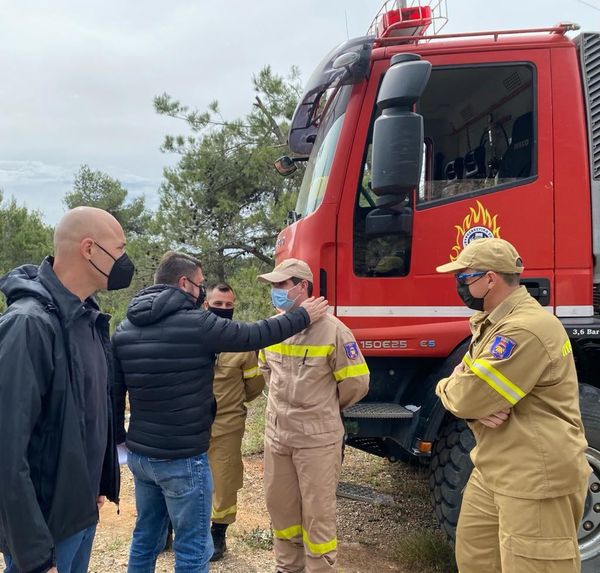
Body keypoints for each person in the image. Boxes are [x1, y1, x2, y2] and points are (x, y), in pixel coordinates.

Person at [112, 251, 328, 573]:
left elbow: (114, 394)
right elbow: (253, 335)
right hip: (183, 457)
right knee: (193, 547)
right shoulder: (196, 324)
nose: (202, 292)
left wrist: (121, 441)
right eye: (200, 284)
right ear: (184, 283)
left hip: (141, 457)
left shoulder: (125, 328)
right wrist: (302, 317)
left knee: (145, 537)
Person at [435, 237, 590, 572]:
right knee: (476, 558)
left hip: (534, 475)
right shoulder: (494, 322)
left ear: (490, 279)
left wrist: (455, 392)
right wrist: (463, 394)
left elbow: (467, 396)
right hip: (495, 466)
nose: (459, 285)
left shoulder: (524, 330)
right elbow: (469, 394)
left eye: (464, 277)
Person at [0, 207, 132, 573]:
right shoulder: (28, 325)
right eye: (119, 248)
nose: (125, 260)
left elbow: (91, 412)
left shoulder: (87, 318)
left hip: (80, 513)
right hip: (45, 531)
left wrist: (98, 481)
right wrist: (35, 556)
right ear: (89, 249)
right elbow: (6, 451)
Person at [257, 258, 370, 573]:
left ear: (302, 286)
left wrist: (322, 410)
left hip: (316, 441)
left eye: (282, 284)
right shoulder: (274, 327)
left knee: (317, 516)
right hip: (278, 437)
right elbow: (266, 370)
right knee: (281, 509)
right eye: (274, 286)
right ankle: (287, 567)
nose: (277, 292)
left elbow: (356, 383)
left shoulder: (332, 330)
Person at [204, 282, 265, 561]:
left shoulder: (242, 342)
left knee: (224, 481)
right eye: (218, 305)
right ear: (206, 305)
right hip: (190, 424)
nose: (224, 310)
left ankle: (218, 535)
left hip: (227, 425)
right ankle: (169, 529)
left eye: (229, 306)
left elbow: (253, 388)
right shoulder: (193, 335)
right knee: (184, 479)